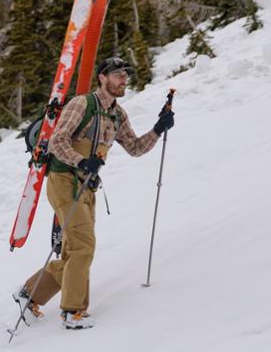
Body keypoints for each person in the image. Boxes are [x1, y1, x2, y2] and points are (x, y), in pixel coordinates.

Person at [15, 57, 174, 329]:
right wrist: (81, 161)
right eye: (117, 75)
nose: (123, 79)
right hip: (64, 179)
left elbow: (135, 148)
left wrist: (159, 129)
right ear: (103, 77)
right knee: (84, 246)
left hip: (87, 186)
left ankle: (29, 294)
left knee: (75, 251)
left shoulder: (117, 114)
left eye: (125, 75)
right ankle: (72, 312)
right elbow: (57, 141)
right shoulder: (82, 104)